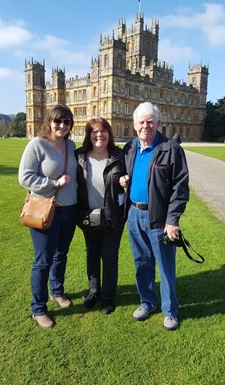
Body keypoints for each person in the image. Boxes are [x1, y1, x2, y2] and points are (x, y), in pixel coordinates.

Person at [119, 102, 189, 330]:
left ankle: (170, 311)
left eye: (150, 121)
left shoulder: (171, 148)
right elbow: (128, 175)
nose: (146, 126)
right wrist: (123, 181)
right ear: (134, 125)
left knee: (165, 265)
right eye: (141, 122)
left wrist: (172, 220)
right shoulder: (129, 148)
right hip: (133, 213)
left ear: (158, 123)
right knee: (141, 263)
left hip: (159, 217)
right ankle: (147, 302)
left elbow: (180, 186)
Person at [19, 104, 77, 329]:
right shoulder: (37, 144)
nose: (62, 126)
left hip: (69, 209)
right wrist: (53, 183)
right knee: (42, 260)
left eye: (67, 122)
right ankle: (38, 308)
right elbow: (25, 177)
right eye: (58, 121)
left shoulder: (71, 145)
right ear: (49, 122)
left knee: (61, 254)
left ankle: (57, 291)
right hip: (45, 209)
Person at [75, 117, 125, 314]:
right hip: (88, 215)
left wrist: (125, 179)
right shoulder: (79, 156)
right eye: (94, 131)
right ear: (88, 135)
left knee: (110, 257)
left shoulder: (119, 155)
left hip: (112, 216)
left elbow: (131, 177)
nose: (99, 134)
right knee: (92, 254)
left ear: (109, 134)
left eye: (103, 131)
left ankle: (108, 297)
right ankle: (93, 291)